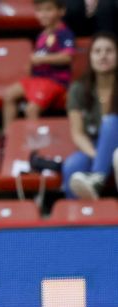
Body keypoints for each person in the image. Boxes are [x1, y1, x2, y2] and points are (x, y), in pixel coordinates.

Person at [2, 0, 76, 128]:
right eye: (39, 11)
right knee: (9, 95)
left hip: (54, 81)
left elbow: (67, 57)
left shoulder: (64, 33)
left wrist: (42, 59)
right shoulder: (42, 35)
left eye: (48, 10)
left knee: (31, 109)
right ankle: (8, 138)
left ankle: (34, 144)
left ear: (61, 11)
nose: (43, 14)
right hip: (37, 80)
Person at [63, 32, 118, 198]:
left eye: (109, 51)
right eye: (97, 51)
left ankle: (95, 178)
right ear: (90, 57)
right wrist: (101, 156)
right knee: (72, 166)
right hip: (93, 145)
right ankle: (77, 218)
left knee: (111, 122)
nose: (103, 56)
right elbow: (77, 133)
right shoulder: (78, 88)